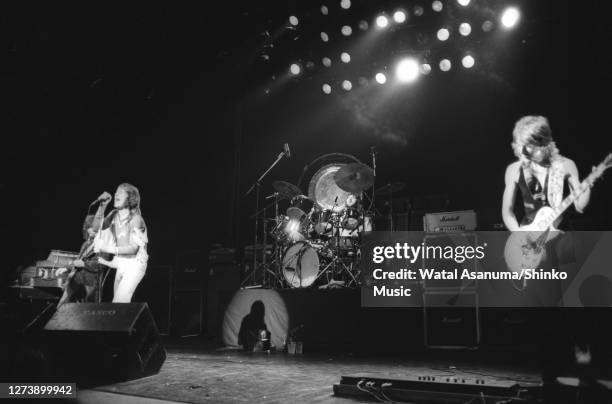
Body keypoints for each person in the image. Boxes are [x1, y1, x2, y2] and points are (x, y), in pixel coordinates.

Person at [502, 115, 591, 231]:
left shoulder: (565, 165)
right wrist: (518, 233)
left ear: (545, 142)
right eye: (526, 146)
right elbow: (507, 211)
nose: (529, 151)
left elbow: (580, 206)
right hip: (529, 235)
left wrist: (587, 187)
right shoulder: (514, 170)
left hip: (559, 236)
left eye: (534, 146)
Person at [93, 183, 149, 303]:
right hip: (120, 263)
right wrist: (102, 206)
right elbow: (96, 228)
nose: (116, 194)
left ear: (130, 198)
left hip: (135, 265)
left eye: (121, 192)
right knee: (118, 305)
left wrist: (107, 248)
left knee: (120, 301)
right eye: (116, 192)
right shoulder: (114, 215)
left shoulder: (136, 219)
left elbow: (134, 249)